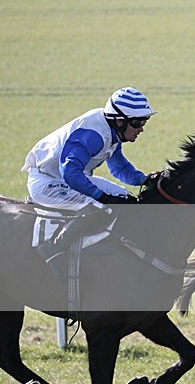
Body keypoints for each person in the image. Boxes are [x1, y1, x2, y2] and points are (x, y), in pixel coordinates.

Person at [23, 87, 156, 260]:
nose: (141, 129)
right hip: (47, 181)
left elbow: (119, 168)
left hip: (71, 178)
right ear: (119, 121)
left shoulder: (112, 131)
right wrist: (102, 197)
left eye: (143, 122)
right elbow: (69, 172)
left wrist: (146, 179)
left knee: (124, 197)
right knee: (101, 206)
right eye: (137, 123)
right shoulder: (94, 134)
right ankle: (54, 248)